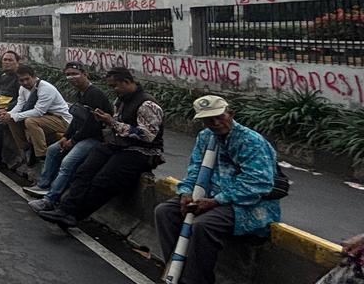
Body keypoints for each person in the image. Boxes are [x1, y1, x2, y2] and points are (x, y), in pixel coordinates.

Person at [154, 96, 281, 284]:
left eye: (219, 117)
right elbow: (195, 168)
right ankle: (176, 271)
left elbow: (258, 183)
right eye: (208, 120)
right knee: (164, 212)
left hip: (248, 203)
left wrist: (216, 201)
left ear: (231, 114)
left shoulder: (250, 141)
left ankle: (195, 280)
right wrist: (186, 192)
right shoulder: (205, 137)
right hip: (209, 196)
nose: (215, 123)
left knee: (202, 225)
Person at [38, 67, 164, 229]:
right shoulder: (121, 100)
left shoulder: (147, 104)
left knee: (104, 180)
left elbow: (147, 135)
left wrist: (112, 123)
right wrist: (106, 123)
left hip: (141, 151)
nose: (114, 90)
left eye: (115, 86)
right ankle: (65, 209)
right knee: (84, 171)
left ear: (126, 82)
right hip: (118, 145)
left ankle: (75, 215)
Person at [26, 62, 113, 207]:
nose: (71, 78)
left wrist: (73, 141)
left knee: (68, 162)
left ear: (85, 74)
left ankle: (50, 200)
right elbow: (76, 120)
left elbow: (92, 125)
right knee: (52, 150)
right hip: (81, 135)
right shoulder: (80, 93)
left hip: (96, 138)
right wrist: (66, 136)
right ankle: (43, 185)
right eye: (68, 75)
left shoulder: (94, 94)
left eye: (74, 74)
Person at [0, 64, 72, 172]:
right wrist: (9, 114)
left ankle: (42, 155)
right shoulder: (23, 89)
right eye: (21, 80)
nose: (25, 83)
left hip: (62, 120)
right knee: (11, 120)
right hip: (45, 118)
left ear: (34, 77)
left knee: (30, 121)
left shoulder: (45, 88)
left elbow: (38, 111)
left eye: (27, 79)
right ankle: (26, 148)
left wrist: (14, 115)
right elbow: (20, 105)